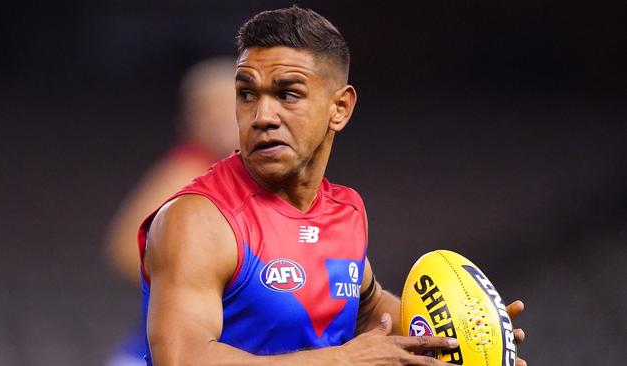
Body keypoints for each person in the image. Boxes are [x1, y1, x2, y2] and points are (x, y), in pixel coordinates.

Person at [138, 6, 527, 365]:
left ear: (339, 108)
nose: (262, 116)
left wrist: (469, 338)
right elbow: (181, 359)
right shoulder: (199, 219)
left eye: (287, 94)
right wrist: (341, 361)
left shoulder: (344, 210)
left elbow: (370, 309)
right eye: (246, 94)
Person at [103, 57, 239, 366]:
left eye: (231, 107)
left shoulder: (240, 176)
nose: (223, 120)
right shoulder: (188, 169)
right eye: (211, 109)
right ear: (192, 118)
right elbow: (124, 248)